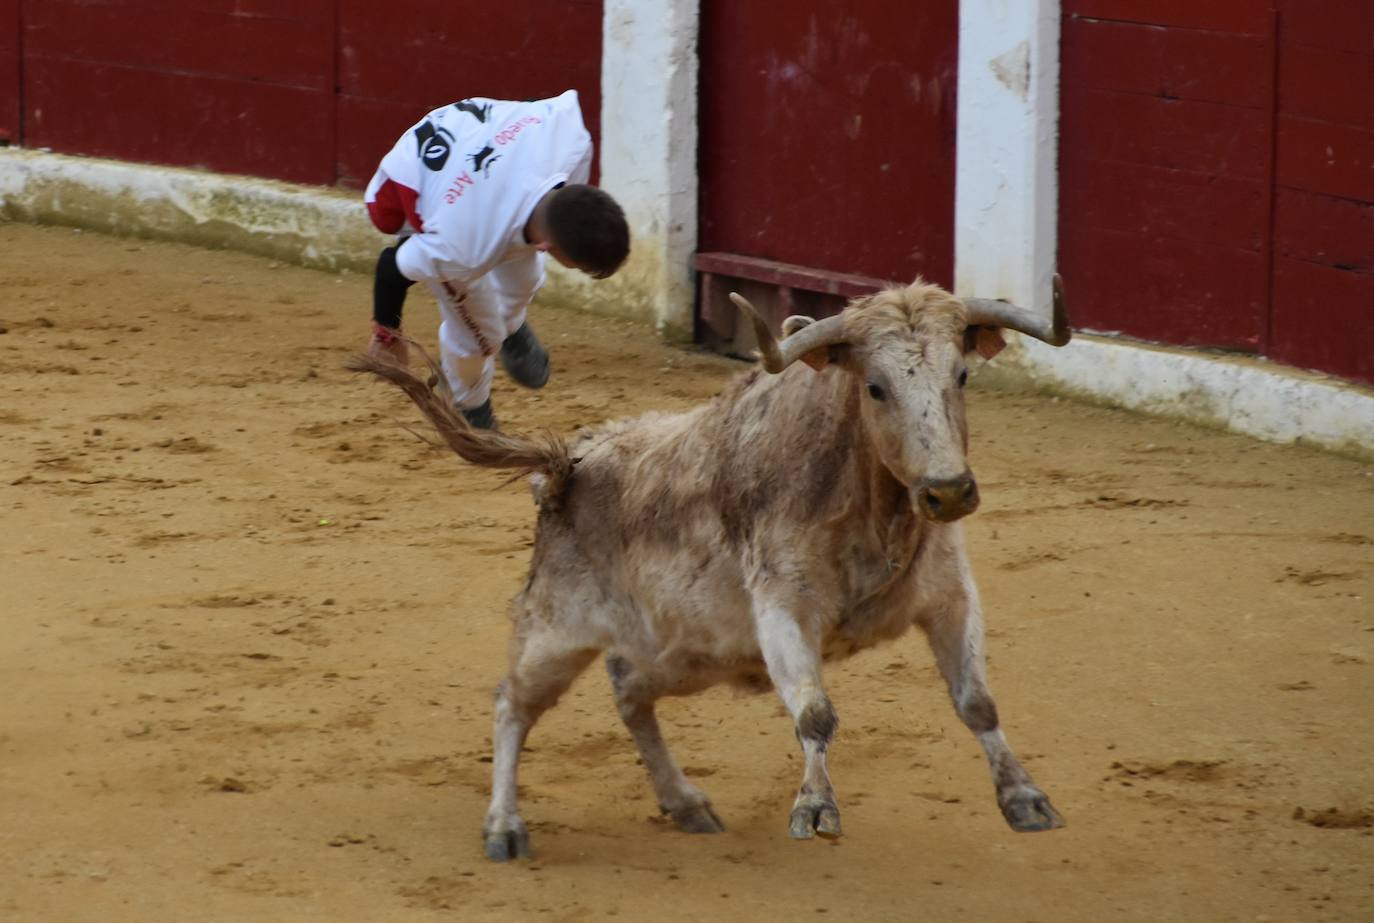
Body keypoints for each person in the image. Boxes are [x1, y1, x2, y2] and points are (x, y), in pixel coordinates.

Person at [363, 90, 629, 429]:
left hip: (473, 161)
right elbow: (391, 267)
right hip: (403, 196)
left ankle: (512, 325)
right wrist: (387, 334)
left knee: (526, 275)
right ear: (550, 245)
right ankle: (469, 407)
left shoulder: (571, 137)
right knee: (478, 335)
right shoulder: (463, 249)